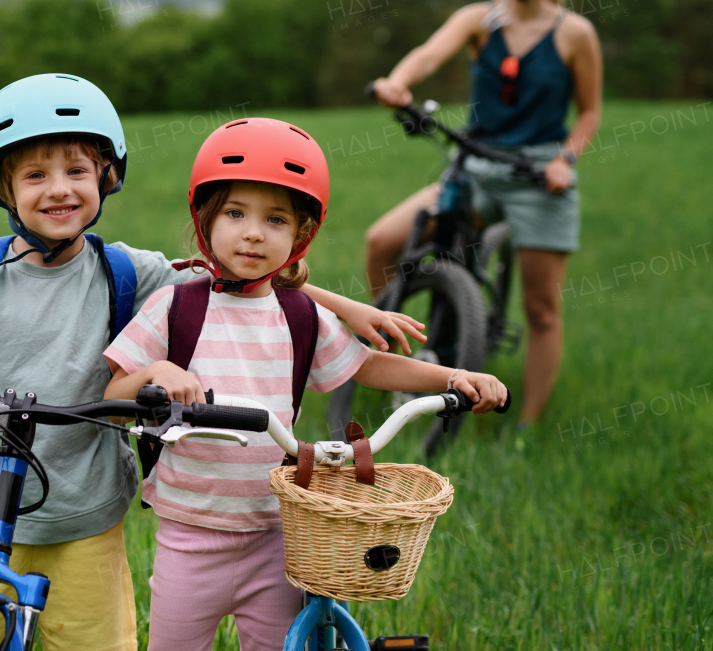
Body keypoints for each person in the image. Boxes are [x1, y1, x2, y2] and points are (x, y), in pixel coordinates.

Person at [0, 75, 423, 651]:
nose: (58, 189)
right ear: (4, 188)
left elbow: (234, 274)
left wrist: (338, 303)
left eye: (77, 172)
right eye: (35, 175)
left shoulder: (123, 271)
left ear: (105, 178)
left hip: (86, 515)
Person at [102, 117, 508, 651]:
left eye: (276, 219)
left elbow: (368, 366)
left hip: (278, 536)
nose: (253, 232)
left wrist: (455, 376)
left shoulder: (299, 315)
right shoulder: (175, 307)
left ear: (301, 235)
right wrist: (155, 373)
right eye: (235, 213)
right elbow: (113, 398)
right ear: (205, 219)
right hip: (189, 538)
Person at [366, 0, 602, 426]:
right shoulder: (479, 20)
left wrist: (566, 159)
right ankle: (385, 367)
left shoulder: (574, 34)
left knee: (541, 308)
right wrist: (398, 82)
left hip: (539, 174)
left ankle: (527, 425)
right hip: (474, 164)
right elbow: (429, 54)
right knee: (382, 242)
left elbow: (589, 111)